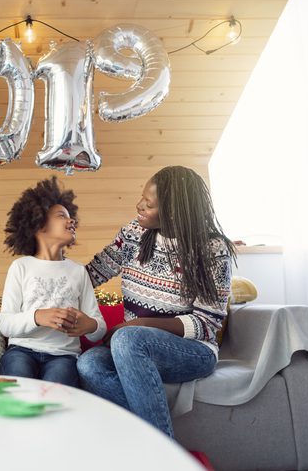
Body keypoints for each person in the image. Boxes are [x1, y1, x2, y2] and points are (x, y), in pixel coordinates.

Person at [77, 165, 235, 438]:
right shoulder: (132, 235)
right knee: (89, 363)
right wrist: (45, 269)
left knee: (128, 339)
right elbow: (91, 274)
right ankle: (156, 442)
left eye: (148, 204)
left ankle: (160, 458)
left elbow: (207, 323)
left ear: (172, 212)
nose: (138, 206)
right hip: (132, 347)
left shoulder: (212, 249)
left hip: (192, 351)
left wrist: (138, 324)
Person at [0, 177, 106, 387]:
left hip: (63, 356)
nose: (71, 221)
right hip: (21, 350)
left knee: (57, 389)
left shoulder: (78, 272)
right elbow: (5, 325)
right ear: (40, 225)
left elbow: (99, 328)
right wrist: (37, 316)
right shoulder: (21, 267)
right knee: (18, 380)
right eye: (61, 216)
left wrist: (90, 325)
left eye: (70, 217)